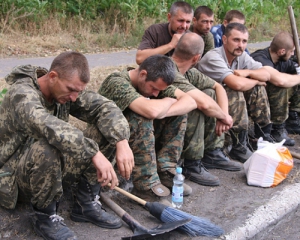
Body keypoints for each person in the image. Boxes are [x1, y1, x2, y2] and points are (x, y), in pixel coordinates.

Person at [0, 52, 135, 240]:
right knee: (48, 148)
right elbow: (44, 123)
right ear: (53, 76)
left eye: (78, 92)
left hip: (52, 169)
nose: (74, 98)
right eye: (71, 90)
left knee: (107, 131)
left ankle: (85, 204)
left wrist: (122, 141)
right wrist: (93, 153)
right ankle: (45, 216)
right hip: (15, 177)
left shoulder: (64, 90)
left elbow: (105, 107)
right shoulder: (22, 93)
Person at [99, 54, 197, 202]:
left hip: (131, 140)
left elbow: (190, 102)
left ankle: (165, 168)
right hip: (110, 142)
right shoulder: (116, 82)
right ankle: (145, 185)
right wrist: (167, 101)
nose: (156, 93)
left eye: (159, 90)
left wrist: (163, 111)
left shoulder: (154, 82)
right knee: (143, 116)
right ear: (143, 74)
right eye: (154, 88)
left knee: (179, 113)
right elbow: (150, 111)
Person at [171, 32, 242, 186]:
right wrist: (224, 116)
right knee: (196, 104)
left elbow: (218, 87)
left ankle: (212, 152)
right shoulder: (170, 71)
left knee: (209, 92)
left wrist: (223, 115)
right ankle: (191, 164)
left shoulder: (188, 71)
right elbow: (204, 104)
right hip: (160, 127)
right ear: (197, 58)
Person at [198, 23, 272, 163]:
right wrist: (255, 80)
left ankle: (262, 135)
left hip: (225, 104)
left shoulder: (241, 56)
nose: (241, 45)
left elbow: (266, 74)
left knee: (257, 88)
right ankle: (238, 146)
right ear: (225, 39)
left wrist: (249, 73)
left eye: (244, 41)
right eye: (236, 40)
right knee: (237, 89)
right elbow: (236, 83)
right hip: (207, 103)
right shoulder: (213, 56)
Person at [251, 31, 300, 144]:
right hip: (255, 98)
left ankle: (293, 117)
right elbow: (279, 81)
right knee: (279, 86)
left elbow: (293, 73)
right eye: (291, 51)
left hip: (268, 99)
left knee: (294, 80)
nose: (292, 54)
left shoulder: (283, 60)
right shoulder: (260, 58)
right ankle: (276, 128)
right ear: (282, 51)